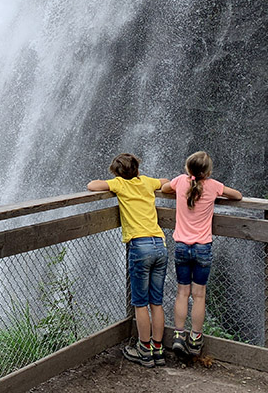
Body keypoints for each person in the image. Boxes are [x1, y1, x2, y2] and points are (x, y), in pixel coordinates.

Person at [88, 153, 170, 367]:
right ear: (137, 169)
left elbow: (92, 186)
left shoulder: (119, 185)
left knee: (140, 303)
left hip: (139, 247)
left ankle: (144, 349)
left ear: (117, 173)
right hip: (160, 244)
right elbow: (166, 182)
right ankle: (158, 350)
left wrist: (114, 181)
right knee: (157, 302)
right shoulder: (147, 182)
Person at [161, 151, 242, 357]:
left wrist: (178, 185)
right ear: (208, 171)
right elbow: (237, 195)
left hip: (181, 246)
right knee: (199, 295)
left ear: (188, 168)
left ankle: (178, 335)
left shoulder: (180, 182)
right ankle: (195, 338)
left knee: (182, 292)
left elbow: (164, 188)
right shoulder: (213, 186)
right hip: (203, 248)